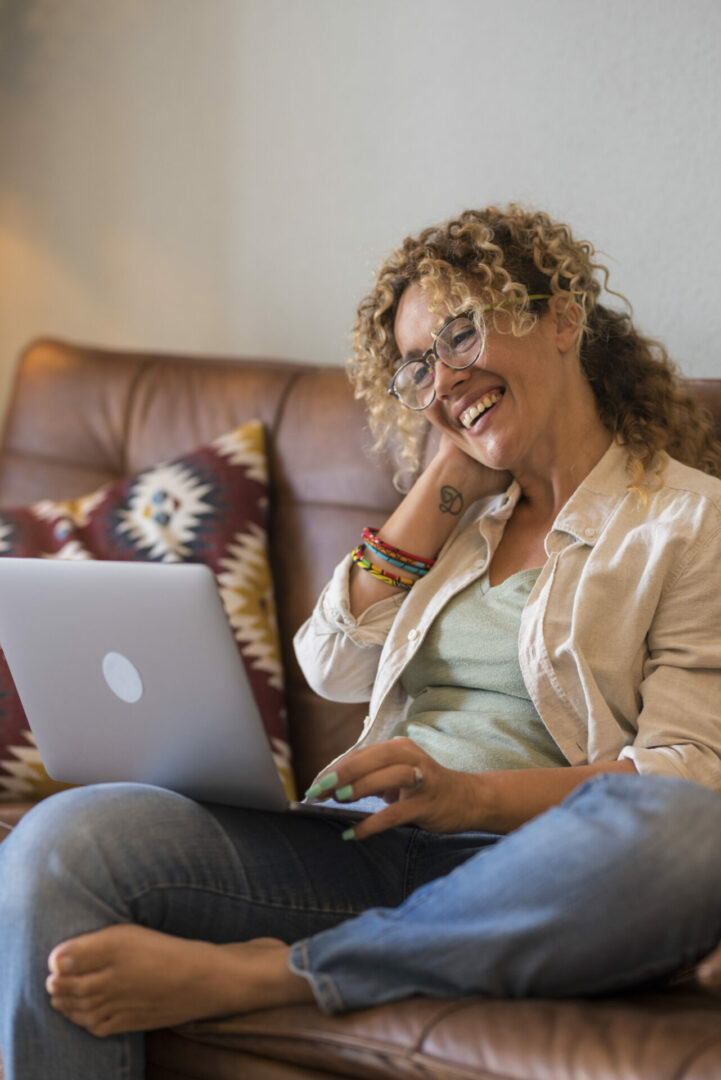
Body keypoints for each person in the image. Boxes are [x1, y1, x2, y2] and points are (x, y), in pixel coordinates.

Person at [3, 204, 721, 1079]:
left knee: (695, 835)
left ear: (563, 317)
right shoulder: (462, 515)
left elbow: (689, 772)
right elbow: (330, 665)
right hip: (352, 844)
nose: (440, 378)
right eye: (416, 368)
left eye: (459, 337)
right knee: (61, 839)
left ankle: (282, 975)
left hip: (524, 868)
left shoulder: (689, 522)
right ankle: (351, 955)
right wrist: (448, 472)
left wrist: (467, 798)